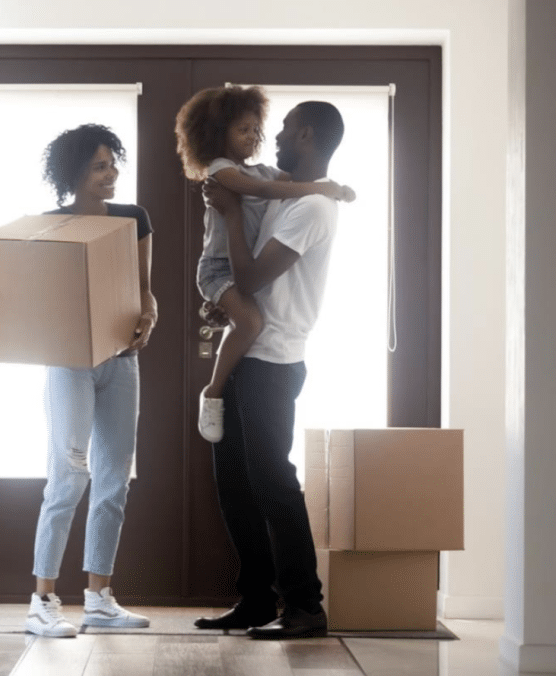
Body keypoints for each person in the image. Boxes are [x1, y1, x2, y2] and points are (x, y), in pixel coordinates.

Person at [0, 124, 157, 638]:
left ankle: (98, 598)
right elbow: (14, 291)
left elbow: (143, 291)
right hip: (68, 363)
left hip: (121, 360)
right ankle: (43, 599)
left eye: (113, 163)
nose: (111, 173)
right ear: (74, 172)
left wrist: (149, 316)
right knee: (68, 476)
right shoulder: (48, 226)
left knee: (114, 479)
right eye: (99, 166)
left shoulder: (132, 219)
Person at [194, 101, 347, 639]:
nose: (272, 136)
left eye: (282, 129)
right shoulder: (289, 196)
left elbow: (253, 278)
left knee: (274, 482)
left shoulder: (312, 208)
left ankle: (305, 607)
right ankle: (257, 600)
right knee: (235, 484)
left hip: (274, 362)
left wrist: (232, 214)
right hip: (252, 358)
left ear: (306, 134)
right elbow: (246, 276)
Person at [173, 86, 354, 444]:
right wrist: (326, 189)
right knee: (243, 477)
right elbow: (273, 191)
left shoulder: (286, 189)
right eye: (244, 129)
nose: (259, 136)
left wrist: (330, 189)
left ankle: (213, 392)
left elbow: (286, 186)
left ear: (305, 135)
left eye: (258, 128)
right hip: (216, 270)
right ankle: (212, 392)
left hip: (273, 359)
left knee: (264, 477)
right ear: (218, 134)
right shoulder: (223, 171)